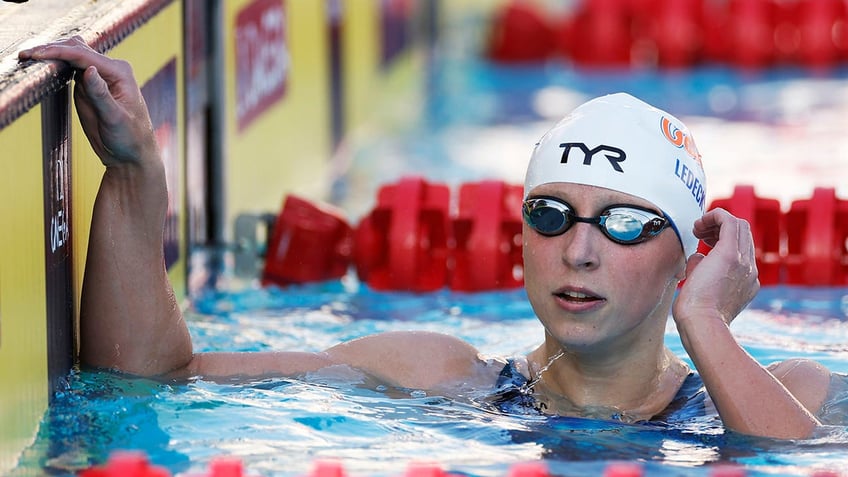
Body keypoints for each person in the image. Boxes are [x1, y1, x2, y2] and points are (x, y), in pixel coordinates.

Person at [19, 36, 837, 440]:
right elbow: (148, 379)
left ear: (686, 257)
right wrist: (135, 173)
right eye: (551, 216)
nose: (580, 251)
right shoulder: (440, 375)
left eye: (625, 223)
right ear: (519, 237)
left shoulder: (791, 390)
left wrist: (709, 326)